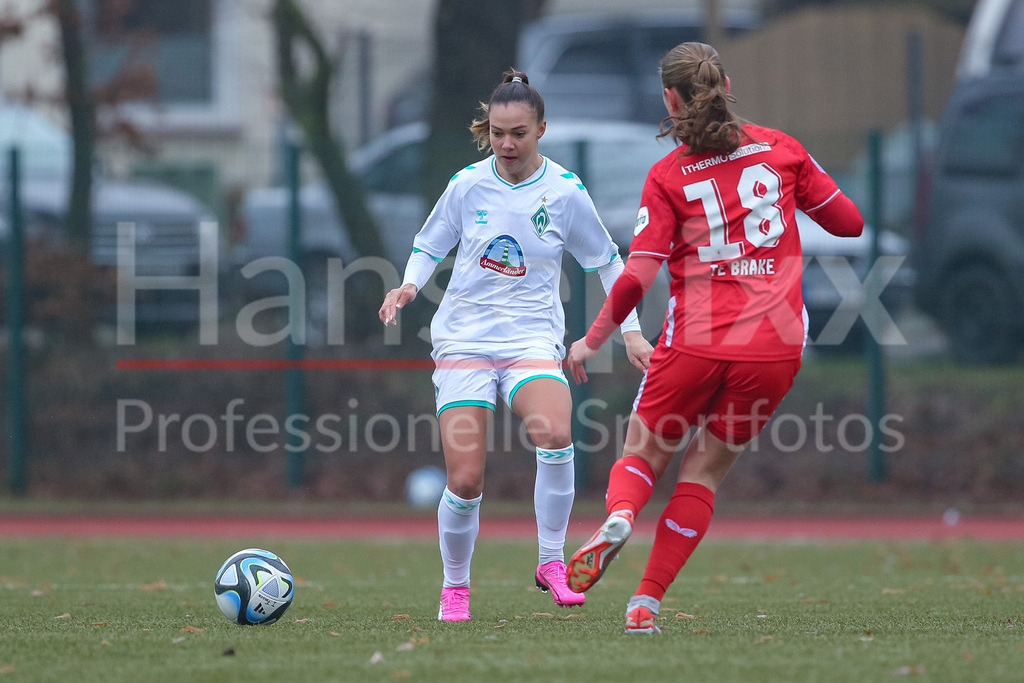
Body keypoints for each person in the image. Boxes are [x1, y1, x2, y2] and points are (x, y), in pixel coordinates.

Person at [562, 42, 864, 634]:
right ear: (727, 84)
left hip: (696, 342)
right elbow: (849, 223)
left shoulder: (668, 175)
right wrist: (802, 183)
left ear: (669, 100)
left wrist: (594, 338)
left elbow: (638, 276)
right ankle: (646, 601)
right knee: (703, 473)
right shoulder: (783, 150)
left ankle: (621, 515)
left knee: (643, 452)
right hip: (774, 349)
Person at [378, 69, 653, 622]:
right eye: (499, 133)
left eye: (519, 133)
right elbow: (429, 244)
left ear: (541, 129)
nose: (507, 143)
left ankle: (551, 561)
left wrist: (630, 331)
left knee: (554, 430)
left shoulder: (565, 193)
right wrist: (409, 283)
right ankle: (456, 588)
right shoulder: (467, 185)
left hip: (531, 338)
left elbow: (608, 261)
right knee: (465, 478)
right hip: (463, 342)